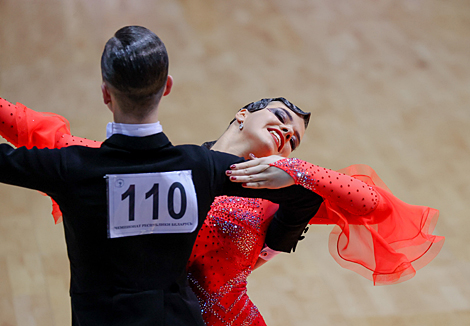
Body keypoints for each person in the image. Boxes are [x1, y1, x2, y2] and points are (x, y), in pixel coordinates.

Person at [0, 95, 445, 325]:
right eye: (280, 116)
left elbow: (375, 206)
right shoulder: (176, 167)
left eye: (295, 136)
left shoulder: (278, 195)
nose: (287, 132)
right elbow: (40, 134)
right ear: (241, 115)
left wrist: (295, 170)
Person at [0, 26, 324, 326]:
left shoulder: (71, 168)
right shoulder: (202, 167)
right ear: (167, 86)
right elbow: (306, 196)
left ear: (105, 93)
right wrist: (279, 198)